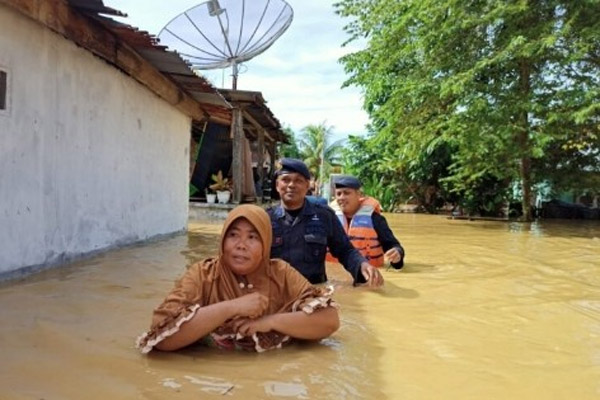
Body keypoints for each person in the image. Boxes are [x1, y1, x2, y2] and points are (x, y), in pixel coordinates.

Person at [136, 205, 339, 353]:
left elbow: (329, 320)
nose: (241, 245)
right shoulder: (202, 274)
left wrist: (269, 322)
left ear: (266, 243)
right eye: (233, 235)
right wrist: (231, 307)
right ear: (223, 240)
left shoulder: (281, 273)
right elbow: (160, 336)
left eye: (252, 237)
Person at [266, 158, 384, 287]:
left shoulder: (324, 216)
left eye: (298, 181)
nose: (291, 185)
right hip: (276, 291)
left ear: (307, 186)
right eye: (286, 180)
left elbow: (345, 250)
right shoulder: (265, 219)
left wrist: (362, 265)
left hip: (314, 291)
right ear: (277, 185)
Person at [329, 176, 405, 269]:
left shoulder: (375, 219)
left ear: (359, 195)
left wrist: (397, 254)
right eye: (339, 194)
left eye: (346, 193)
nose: (342, 197)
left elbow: (393, 246)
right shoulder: (328, 219)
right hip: (335, 275)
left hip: (368, 274)